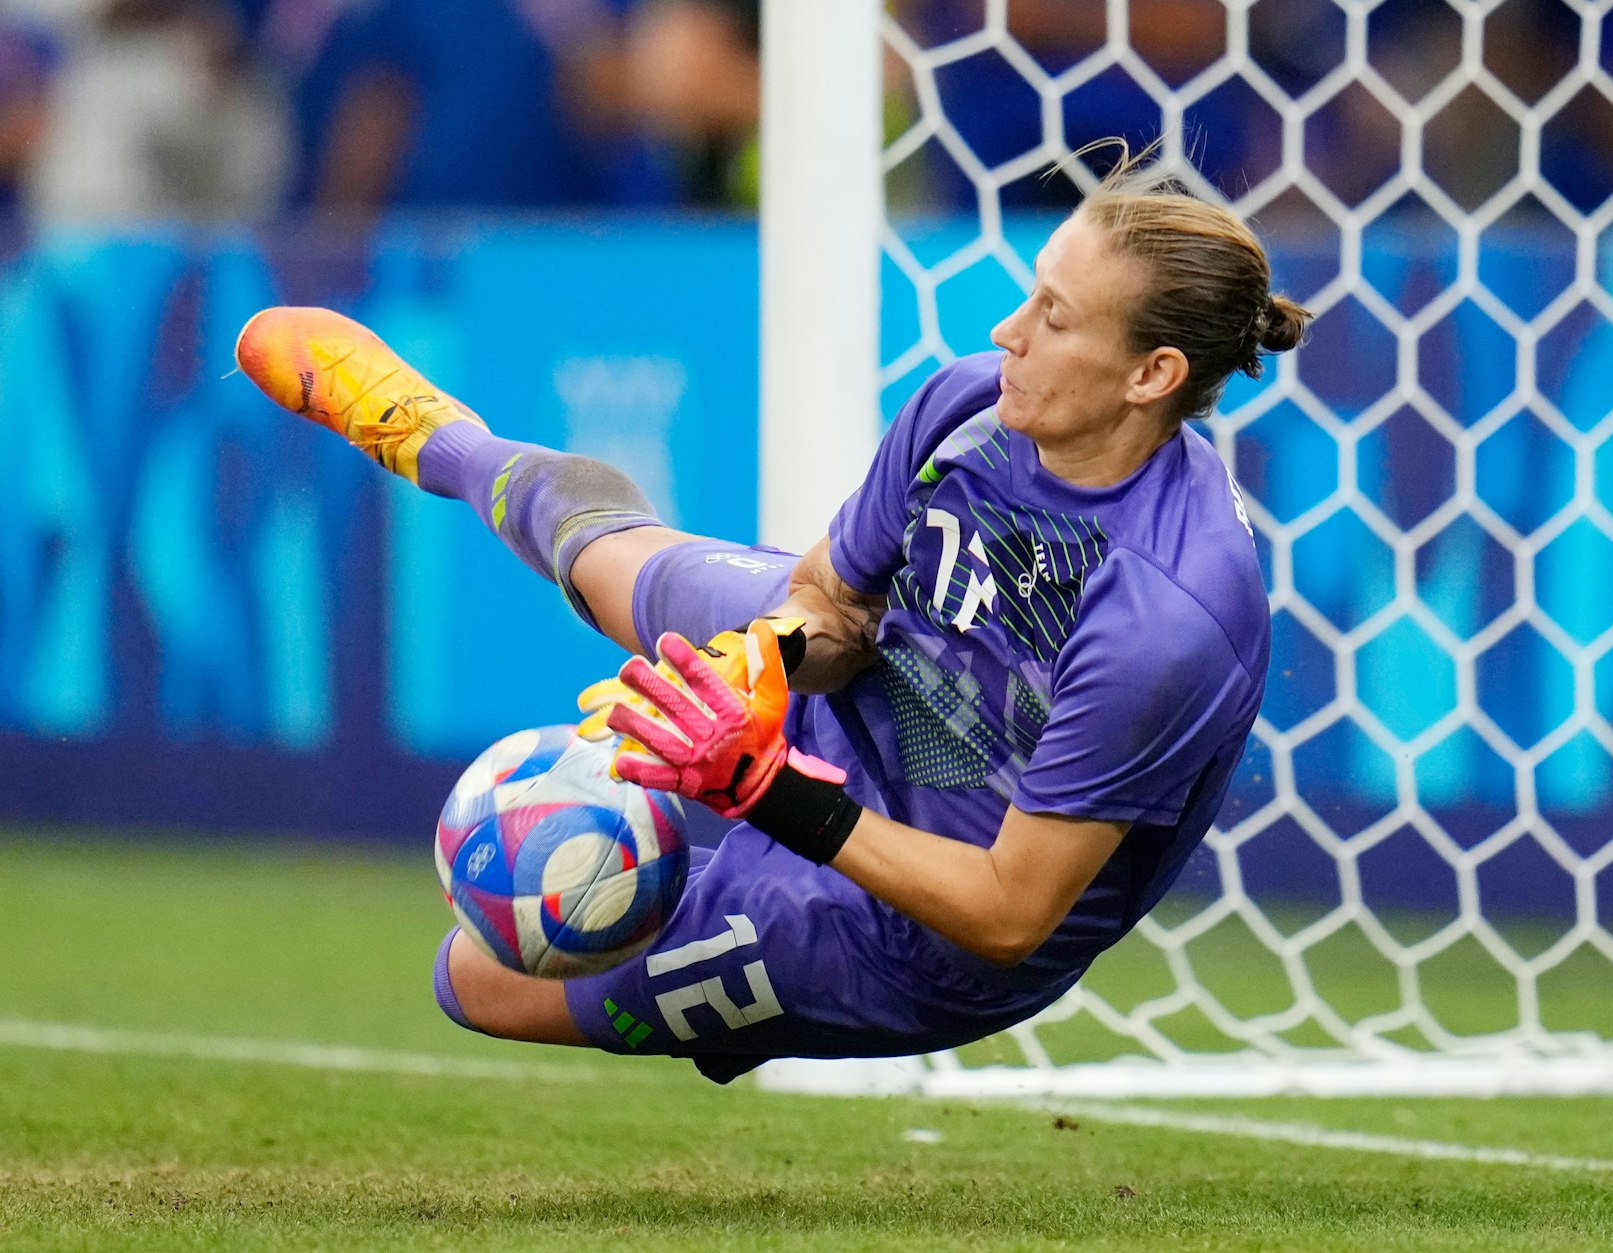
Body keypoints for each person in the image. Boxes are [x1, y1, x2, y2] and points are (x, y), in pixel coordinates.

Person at [236, 154, 1308, 1082]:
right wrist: (760, 661)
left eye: (1052, 319)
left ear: (1151, 373)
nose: (1006, 330)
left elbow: (1006, 912)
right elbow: (834, 600)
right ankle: (440, 442)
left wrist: (762, 787)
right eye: (1032, 293)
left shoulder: (1164, 615)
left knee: (472, 977)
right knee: (622, 570)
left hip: (915, 934)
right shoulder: (971, 406)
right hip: (872, 685)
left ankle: (695, 888)